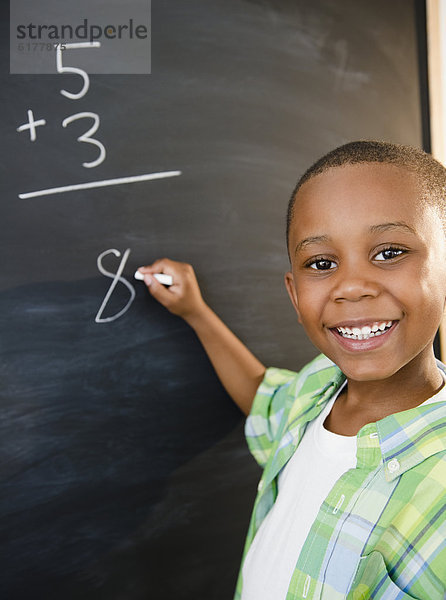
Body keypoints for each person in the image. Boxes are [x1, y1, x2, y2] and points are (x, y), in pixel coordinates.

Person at [137, 141, 446, 599]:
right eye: (321, 263)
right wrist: (195, 312)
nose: (353, 287)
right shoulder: (317, 390)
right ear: (295, 295)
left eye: (389, 252)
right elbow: (263, 396)